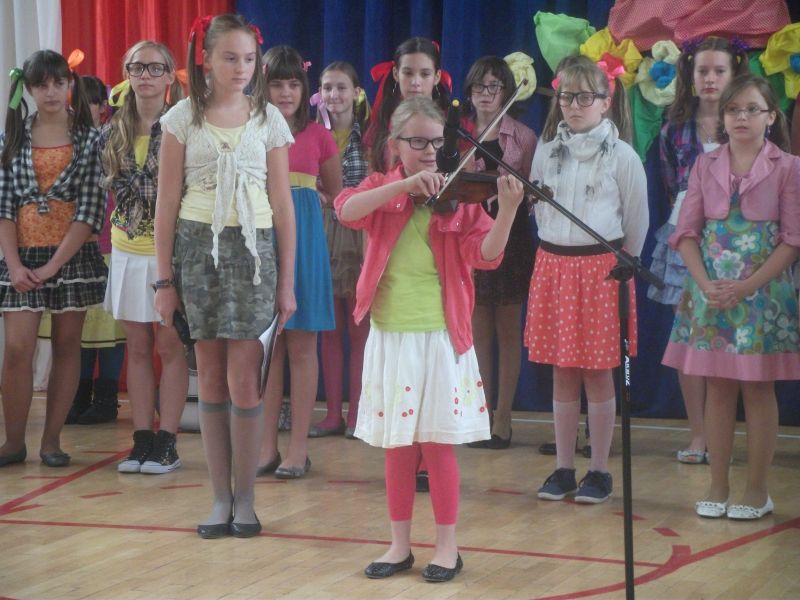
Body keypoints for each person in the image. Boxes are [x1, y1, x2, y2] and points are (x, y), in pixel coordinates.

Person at [336, 96, 523, 582]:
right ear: (395, 144)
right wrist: (403, 185)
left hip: (440, 338)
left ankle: (446, 548)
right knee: (398, 447)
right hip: (391, 337)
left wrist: (506, 212)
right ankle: (399, 545)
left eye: (437, 142)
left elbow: (486, 255)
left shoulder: (456, 200)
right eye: (417, 141)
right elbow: (346, 210)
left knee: (437, 446)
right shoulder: (384, 189)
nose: (429, 152)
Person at [154, 14, 296, 538]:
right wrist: (163, 281)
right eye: (230, 58)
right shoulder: (180, 119)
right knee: (209, 375)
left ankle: (246, 500)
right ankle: (219, 498)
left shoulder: (268, 119)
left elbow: (282, 203)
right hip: (198, 252)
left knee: (244, 378)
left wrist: (287, 282)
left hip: (254, 255)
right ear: (206, 61)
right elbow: (166, 203)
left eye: (249, 59)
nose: (241, 68)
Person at [663, 74, 800, 520]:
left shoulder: (789, 167)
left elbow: (793, 241)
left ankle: (757, 491)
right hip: (711, 293)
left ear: (771, 116)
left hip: (763, 294)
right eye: (733, 110)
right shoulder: (705, 165)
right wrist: (705, 284)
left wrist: (748, 285)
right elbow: (686, 233)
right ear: (722, 117)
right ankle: (717, 485)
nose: (742, 117)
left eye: (752, 109)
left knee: (758, 390)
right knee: (718, 388)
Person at [527, 58, 648, 504]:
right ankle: (563, 468)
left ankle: (598, 471)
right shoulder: (546, 150)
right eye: (566, 97)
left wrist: (623, 262)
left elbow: (636, 220)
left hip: (601, 270)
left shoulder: (623, 156)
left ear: (605, 101)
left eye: (584, 97)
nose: (574, 106)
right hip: (554, 265)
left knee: (597, 372)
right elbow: (539, 207)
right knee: (563, 370)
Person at [0, 50, 106, 467]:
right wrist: (14, 264)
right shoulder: (13, 137)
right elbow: (4, 208)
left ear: (70, 85)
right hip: (21, 259)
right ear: (28, 89)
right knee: (17, 348)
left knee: (66, 345)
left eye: (59, 83)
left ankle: (51, 441)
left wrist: (53, 266)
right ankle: (13, 443)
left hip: (70, 258)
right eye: (42, 85)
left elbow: (90, 210)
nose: (51, 92)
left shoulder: (90, 138)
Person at [647, 37, 749, 464]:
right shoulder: (674, 129)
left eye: (719, 71)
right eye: (702, 71)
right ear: (690, 74)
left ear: (734, 74)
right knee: (689, 336)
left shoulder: (745, 123)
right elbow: (673, 185)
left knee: (732, 336)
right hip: (687, 237)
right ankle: (698, 435)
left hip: (735, 239)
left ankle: (728, 433)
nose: (710, 79)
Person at [99, 41, 189, 472]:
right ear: (127, 74)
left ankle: (167, 440)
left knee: (169, 345)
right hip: (126, 249)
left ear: (170, 75)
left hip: (169, 251)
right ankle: (141, 439)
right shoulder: (112, 129)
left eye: (155, 68)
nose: (146, 76)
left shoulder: (182, 126)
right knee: (136, 346)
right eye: (137, 68)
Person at [257, 46, 341, 479]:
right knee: (267, 350)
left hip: (304, 247)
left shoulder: (318, 136)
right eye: (277, 84)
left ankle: (298, 449)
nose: (286, 92)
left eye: (294, 84)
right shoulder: (251, 130)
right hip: (259, 244)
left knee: (302, 347)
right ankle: (265, 446)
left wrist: (314, 200)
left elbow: (336, 193)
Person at [459, 56, 536, 450]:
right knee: (477, 331)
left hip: (512, 236)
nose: (486, 94)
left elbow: (532, 192)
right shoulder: (459, 134)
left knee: (507, 329)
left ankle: (503, 418)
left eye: (494, 86)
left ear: (506, 91)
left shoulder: (523, 136)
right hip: (471, 236)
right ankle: (480, 414)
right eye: (479, 86)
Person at [40, 74, 124, 425]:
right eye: (77, 101)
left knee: (108, 328)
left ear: (103, 107)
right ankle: (78, 394)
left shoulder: (112, 139)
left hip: (109, 243)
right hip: (70, 245)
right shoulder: (62, 140)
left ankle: (106, 396)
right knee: (79, 327)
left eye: (90, 101)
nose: (81, 108)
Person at [310, 61, 370, 439]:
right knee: (330, 330)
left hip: (360, 232)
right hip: (323, 231)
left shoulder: (371, 135)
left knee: (359, 329)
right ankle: (332, 413)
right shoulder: (314, 134)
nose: (334, 95)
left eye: (341, 87)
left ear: (356, 93)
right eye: (327, 88)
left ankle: (357, 414)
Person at [365, 36, 450, 173]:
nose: (415, 82)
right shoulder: (382, 120)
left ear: (437, 77)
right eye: (408, 73)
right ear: (396, 74)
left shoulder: (451, 122)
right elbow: (372, 173)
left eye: (425, 74)